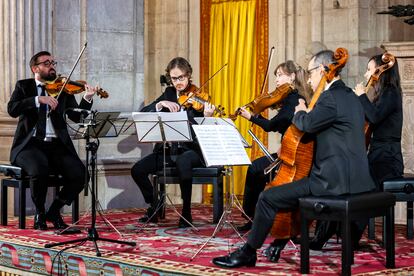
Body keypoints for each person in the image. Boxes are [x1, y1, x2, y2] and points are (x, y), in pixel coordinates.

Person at [211, 49, 376, 268]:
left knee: (268, 197)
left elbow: (305, 124)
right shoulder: (352, 98)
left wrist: (300, 111)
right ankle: (279, 241)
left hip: (332, 183)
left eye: (310, 73)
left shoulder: (329, 98)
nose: (308, 79)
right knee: (292, 191)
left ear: (323, 70)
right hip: (359, 181)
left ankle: (248, 252)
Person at [309, 53, 404, 250]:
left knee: (360, 189)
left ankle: (346, 238)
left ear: (381, 71)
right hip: (376, 156)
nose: (366, 73)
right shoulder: (381, 94)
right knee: (344, 182)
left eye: (369, 69)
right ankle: (326, 233)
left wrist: (360, 96)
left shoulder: (391, 93)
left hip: (387, 160)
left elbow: (375, 117)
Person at [8, 51, 98, 230]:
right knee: (39, 169)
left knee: (80, 174)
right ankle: (39, 213)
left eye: (53, 63)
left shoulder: (62, 89)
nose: (52, 66)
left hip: (56, 145)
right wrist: (37, 99)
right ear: (35, 68)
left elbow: (76, 117)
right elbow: (12, 109)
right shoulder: (24, 86)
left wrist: (87, 99)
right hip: (30, 145)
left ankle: (54, 211)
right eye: (46, 63)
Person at [131, 57, 215, 228]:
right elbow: (143, 112)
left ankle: (186, 212)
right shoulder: (169, 93)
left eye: (181, 78)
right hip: (169, 150)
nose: (178, 82)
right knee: (137, 170)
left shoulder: (200, 98)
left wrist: (206, 117)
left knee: (184, 161)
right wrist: (160, 104)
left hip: (192, 151)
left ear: (189, 75)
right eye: (174, 78)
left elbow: (204, 132)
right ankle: (155, 204)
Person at [237, 60, 311, 232]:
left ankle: (251, 216)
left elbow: (272, 126)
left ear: (292, 77)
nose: (276, 81)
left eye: (280, 75)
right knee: (258, 169)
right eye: (276, 76)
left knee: (255, 168)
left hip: (293, 158)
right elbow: (278, 124)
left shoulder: (294, 99)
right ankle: (258, 216)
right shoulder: (293, 98)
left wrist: (251, 117)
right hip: (289, 152)